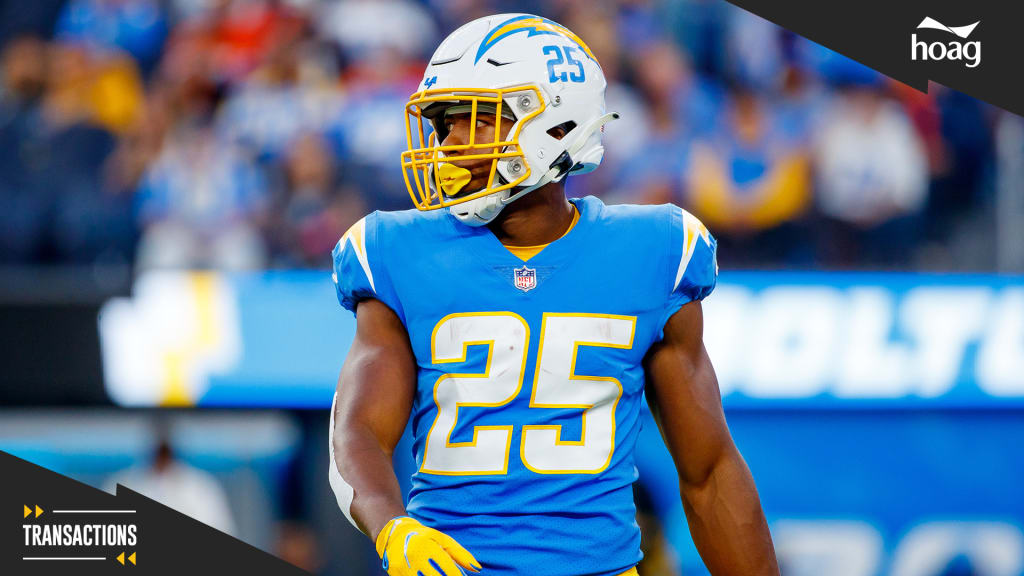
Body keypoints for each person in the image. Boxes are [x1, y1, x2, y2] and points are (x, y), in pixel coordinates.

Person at [328, 13, 778, 576]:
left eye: (475, 120)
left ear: (558, 126)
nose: (449, 144)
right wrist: (392, 526)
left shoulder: (654, 249)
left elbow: (709, 471)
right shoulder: (395, 250)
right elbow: (358, 432)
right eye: (444, 124)